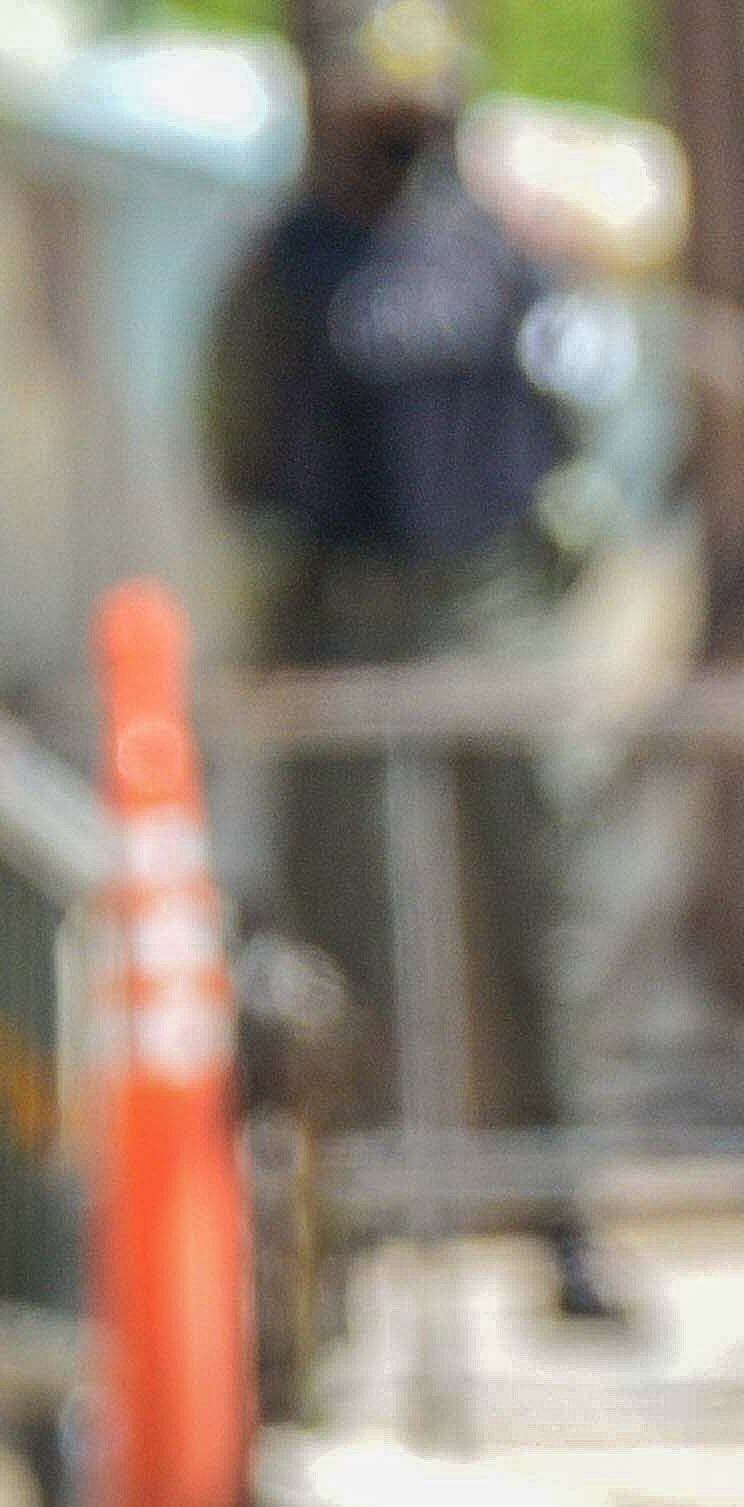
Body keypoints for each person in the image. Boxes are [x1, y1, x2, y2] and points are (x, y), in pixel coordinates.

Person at [205, 0, 614, 1321]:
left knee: (538, 925)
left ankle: (564, 1222)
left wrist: (549, 575)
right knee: (345, 950)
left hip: (488, 617)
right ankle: (350, 1233)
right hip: (347, 633)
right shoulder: (284, 264)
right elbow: (239, 455)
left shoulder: (498, 249)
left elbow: (569, 423)